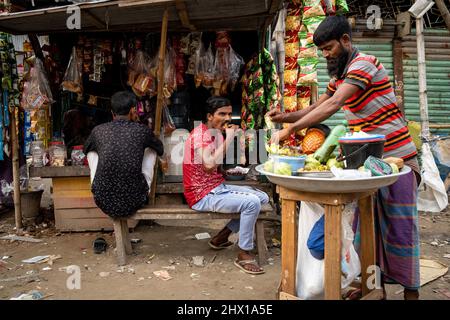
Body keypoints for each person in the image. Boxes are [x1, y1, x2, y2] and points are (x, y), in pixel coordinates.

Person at [268, 16, 420, 299]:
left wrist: (289, 131)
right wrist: (285, 117)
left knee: (400, 232)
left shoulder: (365, 64)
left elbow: (335, 105)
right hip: (366, 163)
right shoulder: (341, 75)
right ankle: (375, 289)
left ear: (346, 41)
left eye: (329, 48)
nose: (326, 55)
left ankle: (412, 294)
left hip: (397, 161)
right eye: (322, 50)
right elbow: (320, 104)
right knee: (367, 233)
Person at [183, 96, 269, 275]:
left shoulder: (214, 133)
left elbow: (212, 166)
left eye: (229, 114)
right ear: (209, 116)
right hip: (202, 195)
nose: (227, 118)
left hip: (216, 187)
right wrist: (229, 138)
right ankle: (244, 252)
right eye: (221, 114)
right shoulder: (200, 135)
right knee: (251, 203)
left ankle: (221, 237)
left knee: (263, 197)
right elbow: (208, 166)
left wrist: (224, 173)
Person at [84, 91, 163, 217]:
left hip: (103, 200)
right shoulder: (141, 131)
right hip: (135, 200)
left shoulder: (98, 131)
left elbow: (85, 149)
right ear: (133, 110)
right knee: (151, 149)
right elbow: (160, 149)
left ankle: (96, 185)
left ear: (112, 112)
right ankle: (144, 187)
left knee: (92, 151)